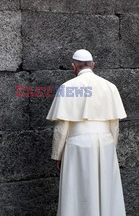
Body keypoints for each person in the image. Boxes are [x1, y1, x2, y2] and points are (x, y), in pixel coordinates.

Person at [46, 49, 127, 216]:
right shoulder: (110, 87)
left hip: (77, 146)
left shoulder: (67, 88)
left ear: (73, 66)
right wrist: (112, 148)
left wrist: (58, 155)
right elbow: (114, 125)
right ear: (93, 65)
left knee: (77, 192)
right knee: (106, 189)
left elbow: (62, 128)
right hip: (105, 143)